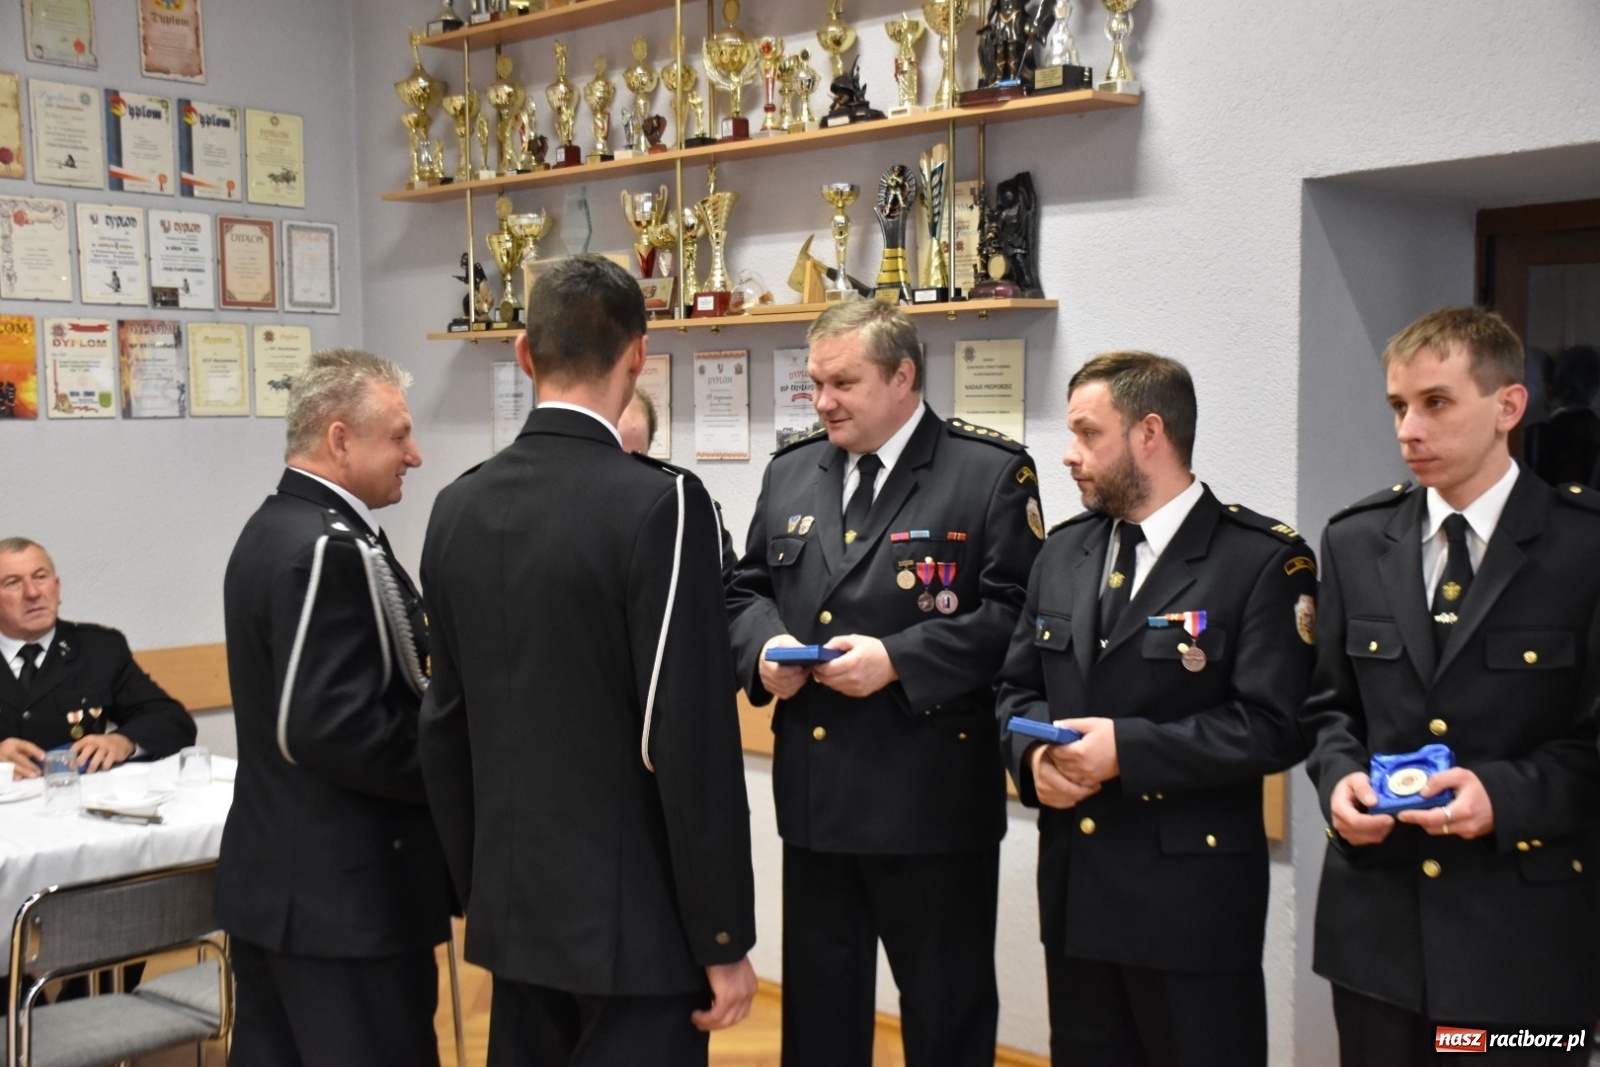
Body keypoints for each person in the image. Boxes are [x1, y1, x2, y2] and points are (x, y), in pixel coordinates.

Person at [419, 254, 757, 1067]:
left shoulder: (455, 503)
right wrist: (722, 931)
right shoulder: (661, 502)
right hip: (635, 918)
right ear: (639, 356)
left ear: (524, 354)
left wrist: (480, 888)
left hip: (514, 909)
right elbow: (687, 735)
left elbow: (444, 723)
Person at [725, 298, 1043, 1067]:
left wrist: (899, 658)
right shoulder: (793, 469)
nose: (824, 400)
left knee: (945, 1015)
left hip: (930, 800)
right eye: (815, 383)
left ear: (903, 376)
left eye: (844, 382)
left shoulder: (989, 471)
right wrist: (765, 651)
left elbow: (1017, 619)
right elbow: (745, 589)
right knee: (820, 1021)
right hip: (818, 797)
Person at [994, 351, 1315, 1067]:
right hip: (1078, 888)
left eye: (1086, 433)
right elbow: (1014, 688)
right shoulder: (1065, 552)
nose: (1069, 455)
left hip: (1191, 904)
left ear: (1149, 434)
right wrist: (1031, 756)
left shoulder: (1259, 560)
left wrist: (1128, 750)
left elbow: (1276, 725)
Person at [1300, 307, 1600, 1065]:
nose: (1408, 429)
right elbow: (1330, 707)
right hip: (1378, 935)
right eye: (1398, 406)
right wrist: (1338, 783)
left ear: (1508, 406)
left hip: (1522, 943)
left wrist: (1502, 795)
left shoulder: (1583, 546)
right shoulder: (1355, 538)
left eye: (1436, 402)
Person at [218, 349, 453, 1067]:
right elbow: (330, 726)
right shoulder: (327, 547)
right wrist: (452, 767)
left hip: (283, 889)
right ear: (341, 438)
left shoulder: (276, 526)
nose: (414, 455)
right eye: (399, 436)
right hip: (346, 898)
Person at [0, 536, 194, 776]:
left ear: (57, 587)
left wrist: (124, 741)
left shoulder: (99, 649)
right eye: (12, 583)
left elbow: (172, 721)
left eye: (40, 577)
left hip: (80, 802)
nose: (32, 592)